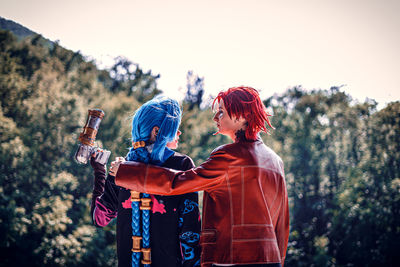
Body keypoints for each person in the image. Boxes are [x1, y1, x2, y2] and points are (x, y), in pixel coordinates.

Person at [112, 86, 290, 267]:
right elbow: (282, 224)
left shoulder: (229, 156)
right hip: (271, 258)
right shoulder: (276, 161)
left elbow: (177, 183)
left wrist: (126, 171)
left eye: (221, 112)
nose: (215, 117)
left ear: (241, 116)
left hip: (231, 258)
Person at [90, 96, 201, 267]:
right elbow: (190, 232)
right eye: (175, 128)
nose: (179, 133)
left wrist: (99, 171)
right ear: (156, 132)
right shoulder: (182, 165)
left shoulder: (121, 169)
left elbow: (100, 218)